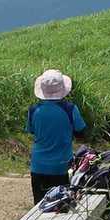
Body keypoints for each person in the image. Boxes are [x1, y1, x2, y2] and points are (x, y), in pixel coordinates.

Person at [26, 68, 87, 204]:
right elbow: (81, 133)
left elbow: (32, 130)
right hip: (61, 166)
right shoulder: (70, 109)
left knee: (40, 206)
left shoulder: (33, 110)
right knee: (62, 206)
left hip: (38, 166)